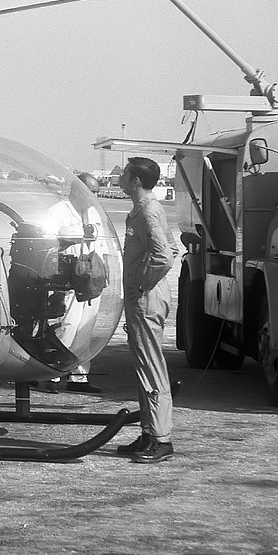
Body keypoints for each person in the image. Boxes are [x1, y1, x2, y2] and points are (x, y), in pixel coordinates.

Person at [116, 156, 179, 463]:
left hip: (146, 297)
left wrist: (142, 284)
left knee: (151, 367)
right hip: (145, 296)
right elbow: (173, 247)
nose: (121, 178)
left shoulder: (147, 212)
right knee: (143, 365)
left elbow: (165, 257)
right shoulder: (146, 210)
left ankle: (161, 438)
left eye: (125, 174)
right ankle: (149, 432)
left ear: (136, 181)